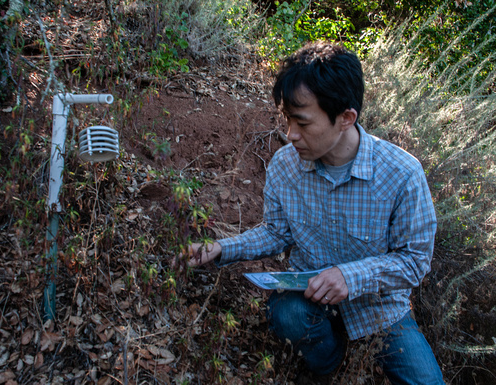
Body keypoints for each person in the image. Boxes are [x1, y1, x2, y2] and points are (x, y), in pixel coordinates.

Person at [180, 41, 444, 384]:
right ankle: (331, 370)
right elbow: (276, 233)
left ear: (346, 118)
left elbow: (414, 262)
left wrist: (350, 277)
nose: (290, 135)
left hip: (379, 311)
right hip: (308, 300)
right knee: (287, 314)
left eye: (303, 123)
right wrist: (220, 248)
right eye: (288, 120)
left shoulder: (402, 174)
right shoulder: (284, 166)